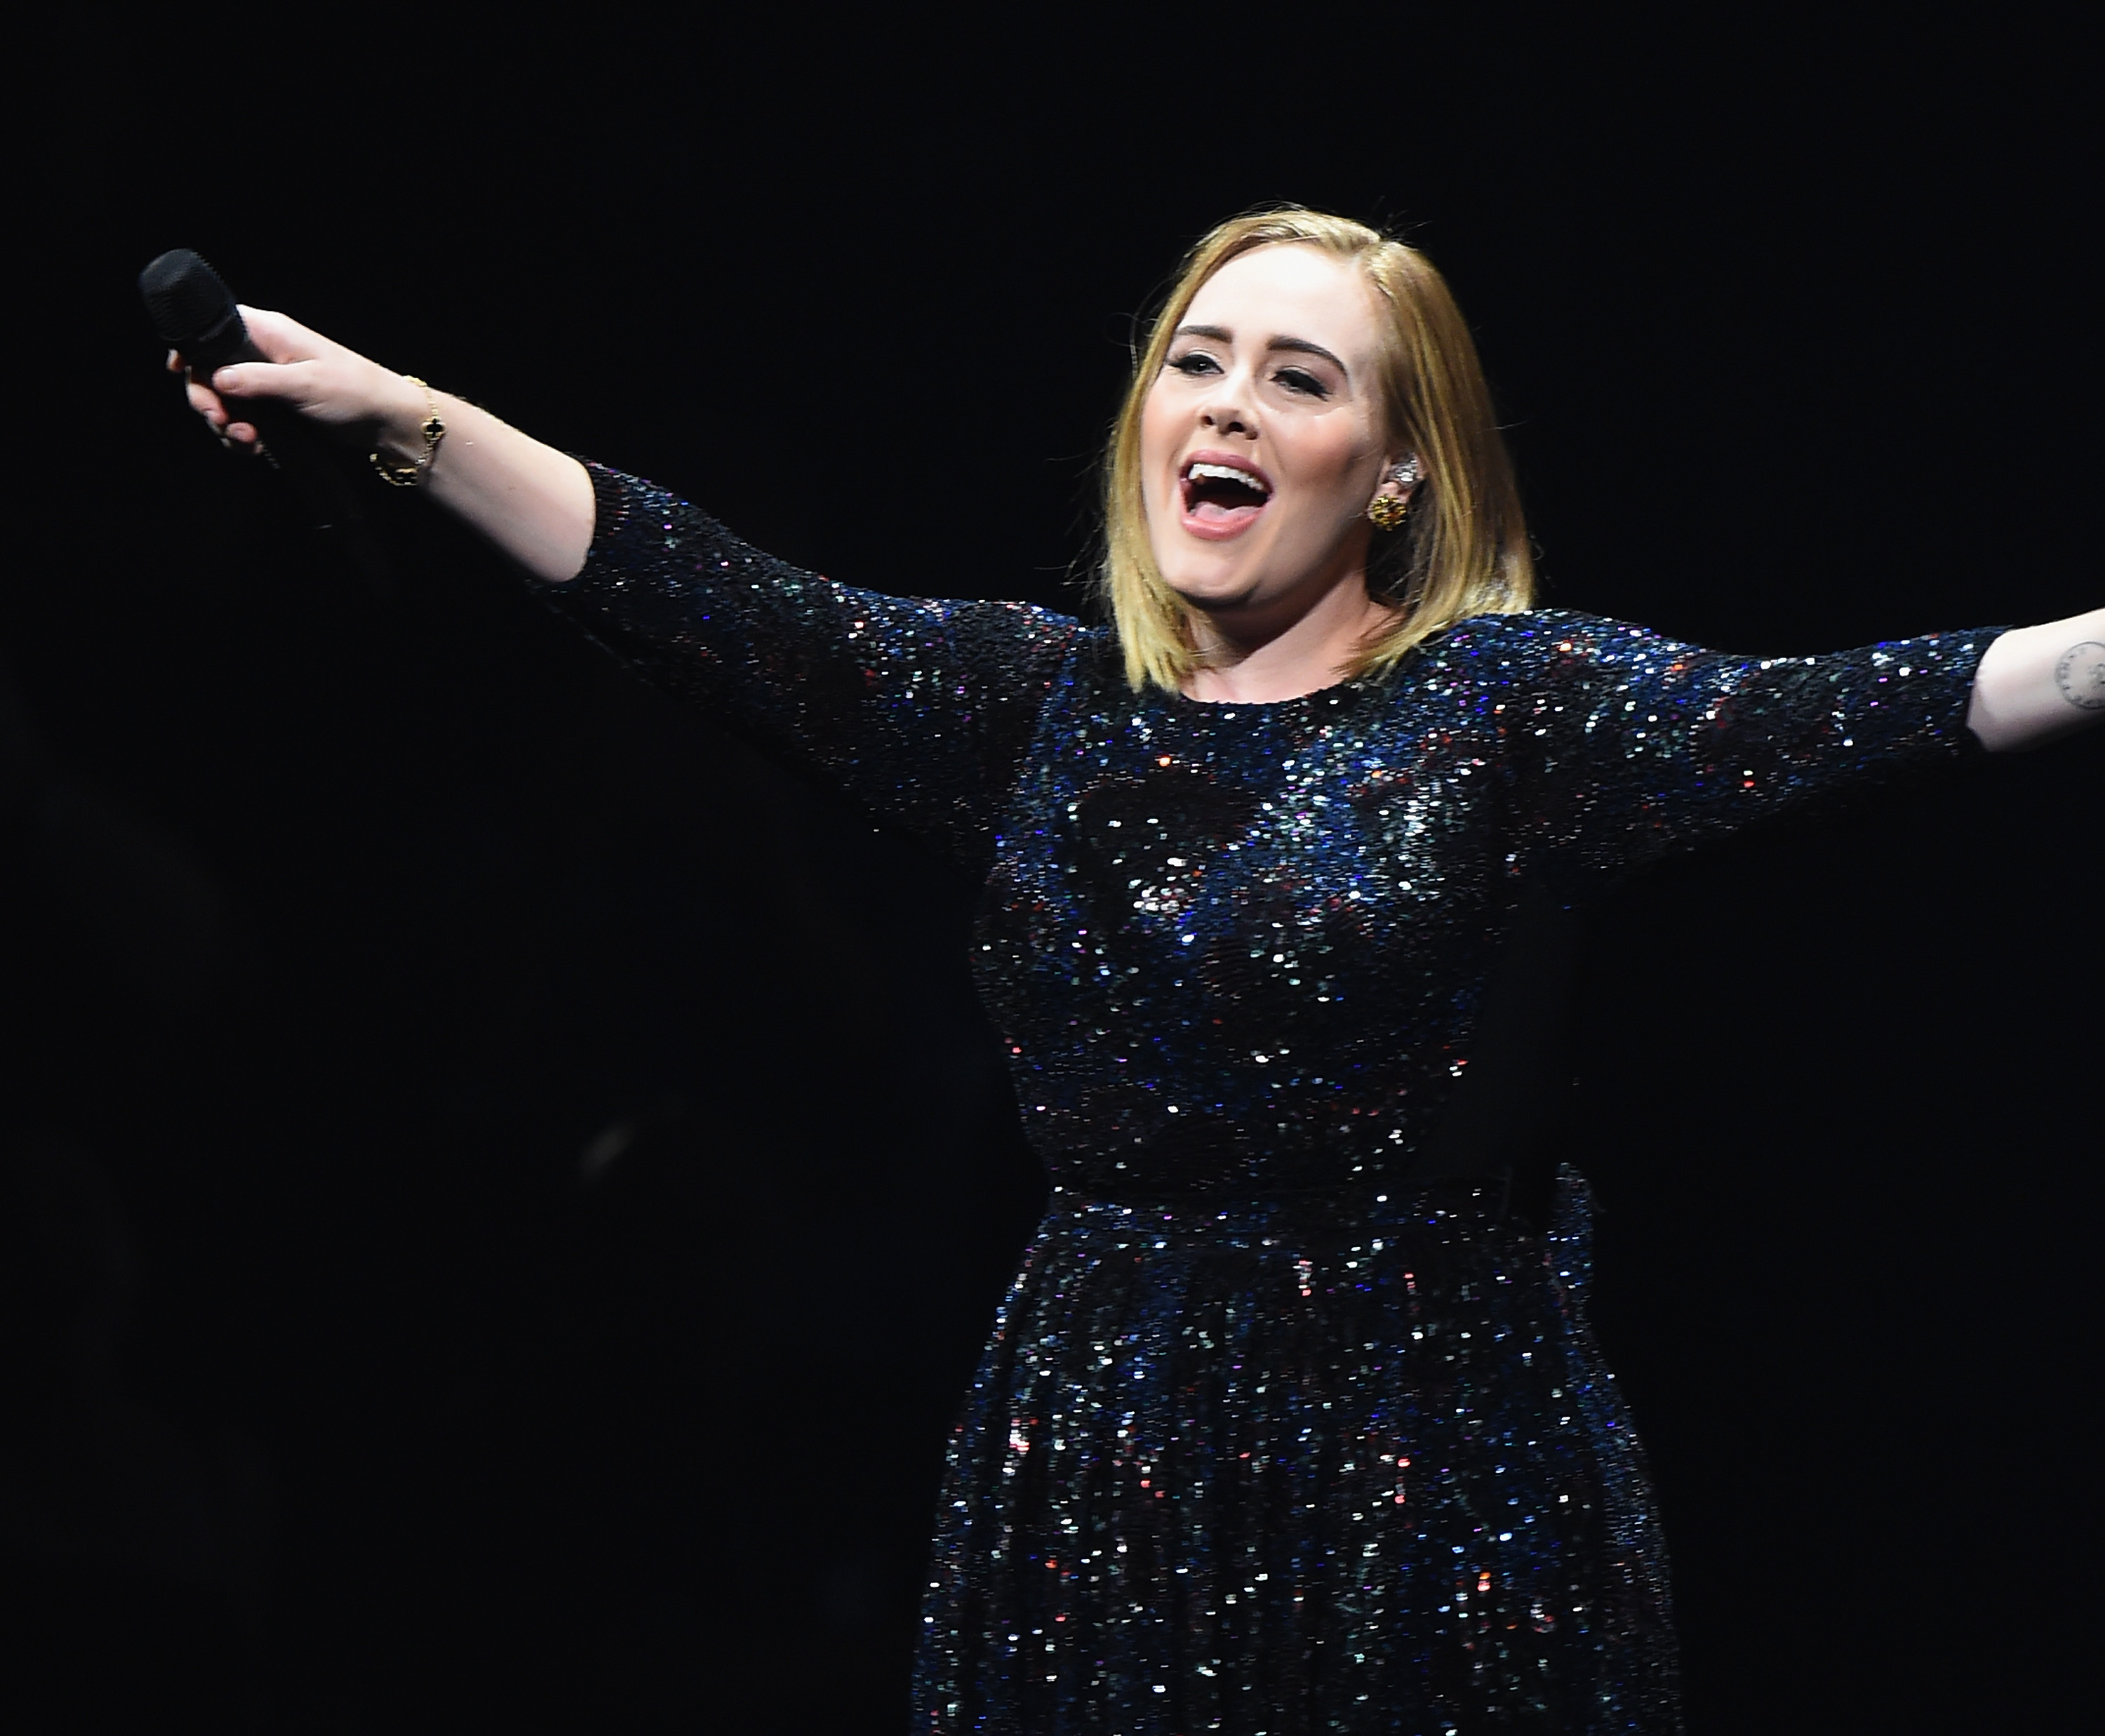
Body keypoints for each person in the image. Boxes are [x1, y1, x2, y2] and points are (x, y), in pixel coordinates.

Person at [171, 208, 2103, 1733]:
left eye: (1298, 376)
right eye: (1198, 361)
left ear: (1401, 471)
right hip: (1106, 1450)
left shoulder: (1513, 708)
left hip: (1434, 1457)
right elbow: (700, 593)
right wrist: (398, 415)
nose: (1232, 407)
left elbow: (1857, 710)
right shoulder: (1030, 711)